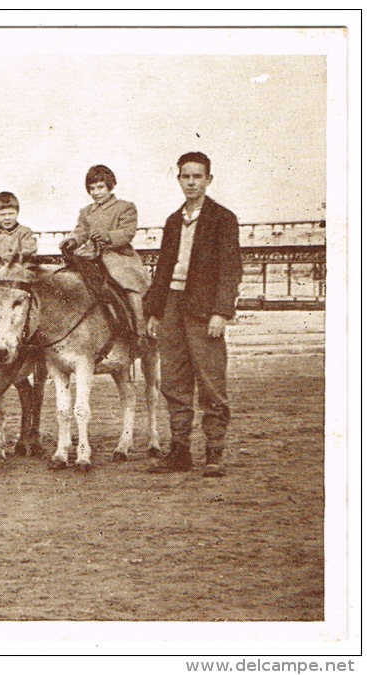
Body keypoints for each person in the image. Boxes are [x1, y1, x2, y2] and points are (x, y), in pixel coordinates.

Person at [143, 152, 243, 477]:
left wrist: (221, 312)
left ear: (208, 180)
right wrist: (155, 311)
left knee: (211, 379)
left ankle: (214, 452)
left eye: (197, 176)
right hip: (172, 306)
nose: (191, 182)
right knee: (174, 379)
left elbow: (231, 270)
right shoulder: (174, 221)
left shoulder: (222, 219)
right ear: (178, 180)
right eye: (185, 176)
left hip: (204, 308)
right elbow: (163, 270)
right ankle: (180, 451)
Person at [59, 165, 150, 341]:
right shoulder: (86, 212)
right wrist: (73, 240)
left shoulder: (125, 207)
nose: (96, 192)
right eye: (92, 188)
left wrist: (108, 237)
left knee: (128, 284)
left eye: (100, 187)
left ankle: (140, 329)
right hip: (90, 254)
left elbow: (127, 232)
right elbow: (80, 231)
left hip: (118, 256)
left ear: (110, 186)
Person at [0, 191, 37, 272]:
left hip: (18, 273)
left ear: (17, 213)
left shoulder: (25, 232)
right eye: (2, 215)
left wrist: (12, 267)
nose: (7, 218)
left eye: (11, 213)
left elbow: (28, 254)